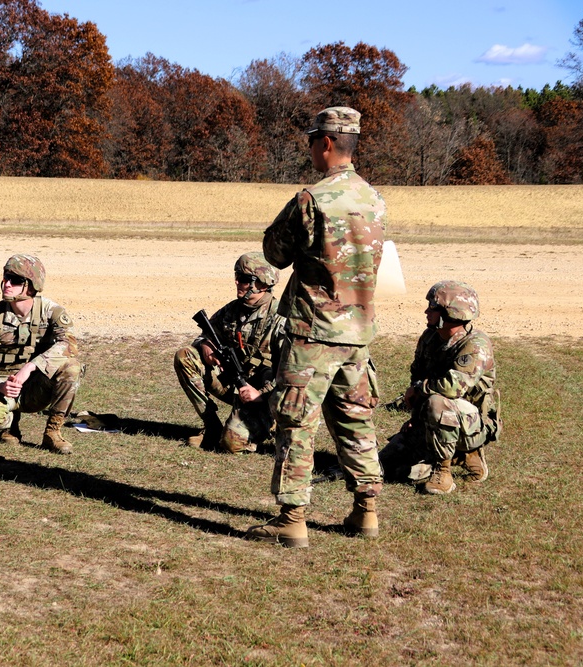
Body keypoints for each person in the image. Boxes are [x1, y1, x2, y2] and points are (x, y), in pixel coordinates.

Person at [249, 106, 386, 548]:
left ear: (325, 143)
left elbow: (275, 253)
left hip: (314, 332)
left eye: (312, 141)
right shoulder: (374, 199)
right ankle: (366, 511)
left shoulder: (314, 197)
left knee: (296, 423)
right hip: (357, 333)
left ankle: (292, 519)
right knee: (355, 420)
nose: (310, 148)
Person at [380, 281, 499, 494]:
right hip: (434, 420)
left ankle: (444, 469)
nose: (426, 311)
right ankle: (457, 455)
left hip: (470, 425)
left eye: (433, 307)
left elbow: (452, 388)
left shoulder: (476, 344)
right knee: (385, 465)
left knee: (438, 402)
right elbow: (418, 376)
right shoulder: (429, 338)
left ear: (451, 313)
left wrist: (418, 389)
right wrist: (415, 419)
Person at [173, 252, 286, 453]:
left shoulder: (281, 319)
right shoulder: (232, 310)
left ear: (261, 284)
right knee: (185, 356)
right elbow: (205, 335)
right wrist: (205, 346)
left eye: (243, 279)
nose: (236, 282)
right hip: (233, 383)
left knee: (231, 445)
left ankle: (272, 422)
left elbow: (292, 372)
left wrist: (261, 394)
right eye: (237, 276)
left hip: (266, 396)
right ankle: (211, 426)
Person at [0, 255, 82, 455]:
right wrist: (0, 385)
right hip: (5, 389)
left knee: (71, 367)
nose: (7, 284)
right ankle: (8, 426)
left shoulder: (52, 312)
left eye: (15, 280)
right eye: (5, 277)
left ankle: (52, 433)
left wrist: (31, 367)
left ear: (31, 286)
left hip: (37, 387)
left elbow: (69, 345)